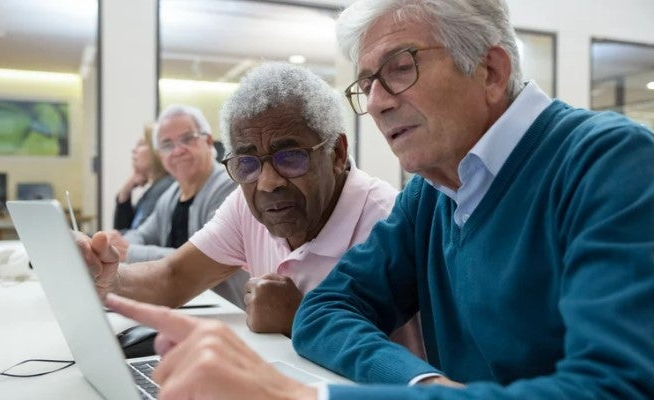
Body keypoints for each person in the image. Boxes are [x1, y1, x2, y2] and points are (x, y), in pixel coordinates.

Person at [101, 0, 654, 400]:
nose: (379, 101)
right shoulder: (433, 195)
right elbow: (324, 309)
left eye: (399, 68)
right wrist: (424, 386)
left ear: (490, 69)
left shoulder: (611, 163)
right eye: (367, 83)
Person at [80, 63, 422, 351]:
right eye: (247, 163)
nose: (267, 182)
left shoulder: (388, 220)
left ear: (336, 153)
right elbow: (173, 277)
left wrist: (300, 316)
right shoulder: (247, 208)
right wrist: (109, 277)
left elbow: (406, 370)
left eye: (290, 157)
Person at [103, 104, 248, 306]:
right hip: (187, 305)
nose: (178, 150)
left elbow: (203, 257)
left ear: (208, 141)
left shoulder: (231, 187)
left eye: (188, 139)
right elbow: (143, 234)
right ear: (161, 156)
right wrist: (113, 246)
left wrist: (129, 251)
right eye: (167, 145)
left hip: (228, 311)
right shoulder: (171, 194)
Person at [113, 122, 173, 231]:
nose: (134, 150)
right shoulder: (154, 188)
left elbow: (133, 239)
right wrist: (125, 192)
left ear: (157, 151)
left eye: (141, 144)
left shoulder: (165, 187)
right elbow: (124, 230)